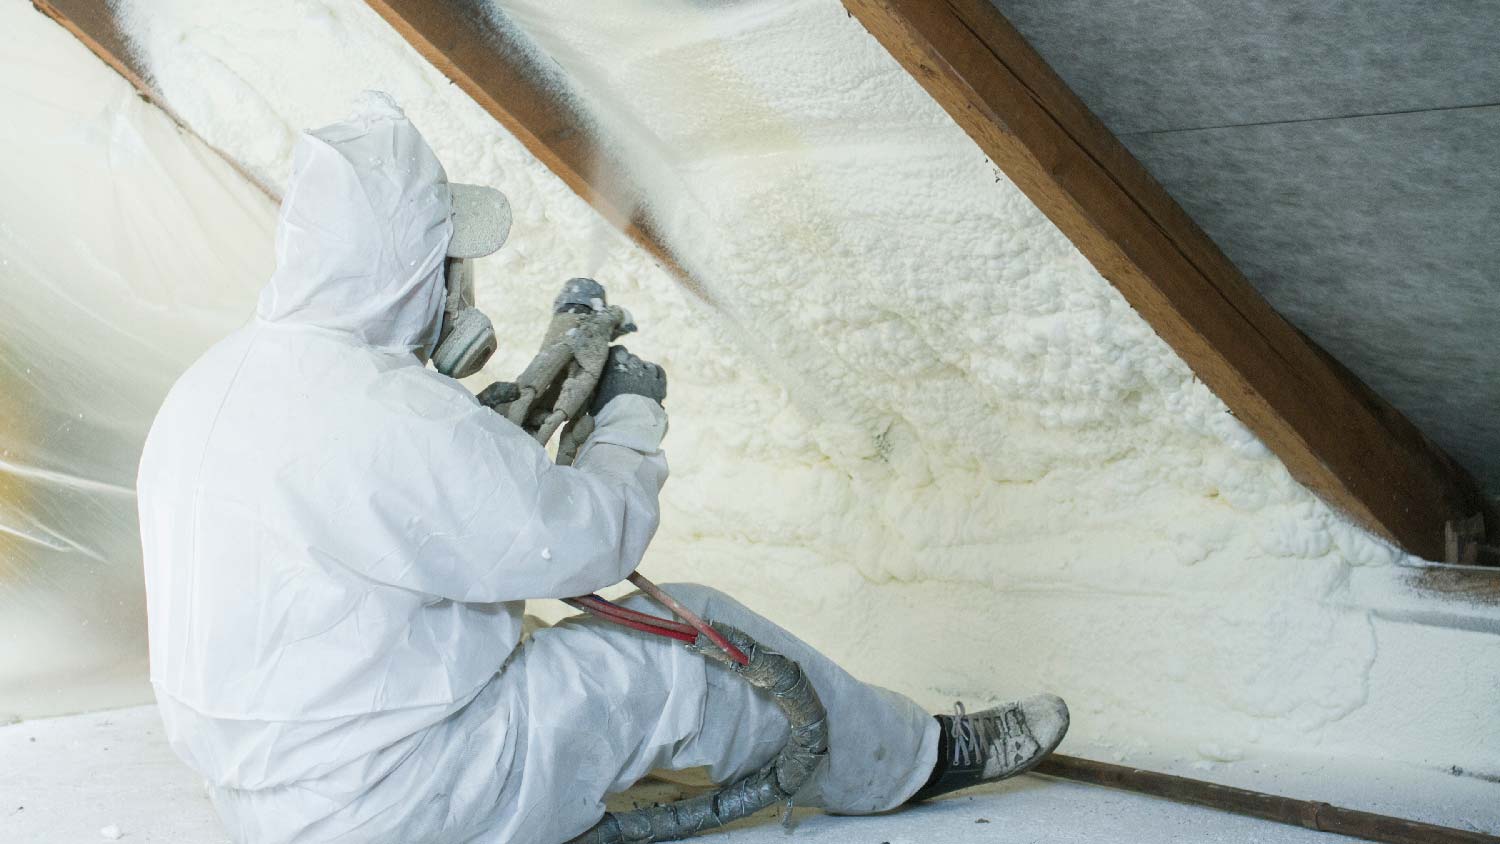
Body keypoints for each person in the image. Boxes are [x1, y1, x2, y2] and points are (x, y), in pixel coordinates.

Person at [137, 92, 1069, 844]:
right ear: (408, 267)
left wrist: (494, 430)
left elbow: (398, 510)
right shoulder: (388, 414)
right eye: (447, 261)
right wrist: (629, 420)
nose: (456, 287)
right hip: (396, 803)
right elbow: (587, 545)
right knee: (694, 639)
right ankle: (914, 762)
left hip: (259, 796)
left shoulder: (220, 380)